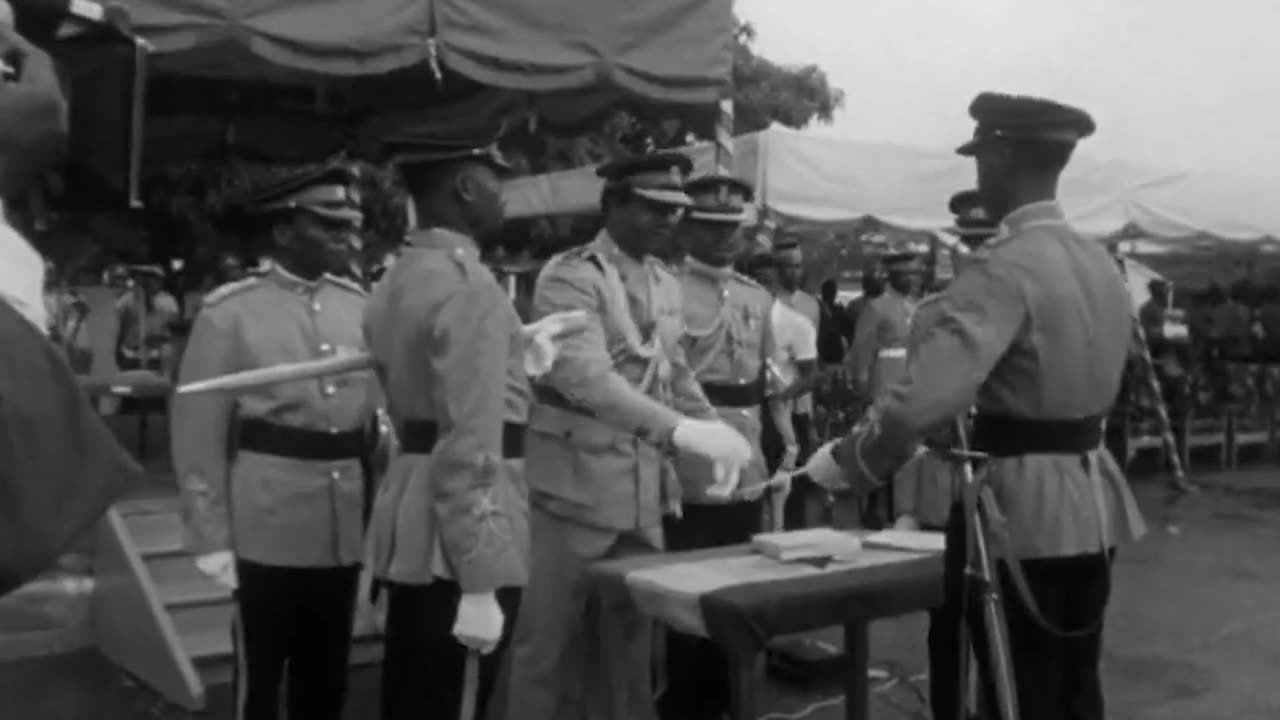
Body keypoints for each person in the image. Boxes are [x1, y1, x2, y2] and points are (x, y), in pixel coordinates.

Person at [800, 92, 1146, 720]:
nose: (979, 175)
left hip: (1020, 505)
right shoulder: (1101, 264)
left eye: (983, 159)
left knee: (1018, 688)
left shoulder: (1002, 268)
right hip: (1091, 495)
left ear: (1006, 159)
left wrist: (848, 461)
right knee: (1074, 683)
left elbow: (919, 406)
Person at [505, 152, 752, 720]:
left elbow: (676, 371)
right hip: (572, 490)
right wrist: (682, 431)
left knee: (630, 648)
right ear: (613, 204)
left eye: (675, 210)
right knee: (548, 644)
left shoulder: (664, 279)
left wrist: (717, 427)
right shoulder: (571, 276)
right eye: (652, 208)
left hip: (640, 492)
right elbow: (583, 376)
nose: (668, 221)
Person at [170, 163, 381, 720]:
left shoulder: (359, 307)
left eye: (348, 224)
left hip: (341, 518)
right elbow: (198, 431)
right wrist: (210, 534)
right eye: (328, 224)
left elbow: (378, 422)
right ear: (284, 232)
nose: (346, 236)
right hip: (265, 518)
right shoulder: (230, 314)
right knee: (260, 679)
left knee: (328, 673)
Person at [362, 134, 528, 720]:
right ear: (464, 187)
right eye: (494, 181)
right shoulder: (470, 289)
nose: (502, 197)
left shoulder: (400, 274)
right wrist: (480, 579)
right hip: (462, 532)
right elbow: (471, 442)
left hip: (415, 508)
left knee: (411, 694)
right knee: (454, 700)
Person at [660, 174, 778, 720]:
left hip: (747, 459)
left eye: (732, 227)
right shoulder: (667, 290)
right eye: (710, 226)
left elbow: (764, 383)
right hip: (692, 460)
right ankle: (689, 702)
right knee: (690, 596)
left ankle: (736, 698)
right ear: (684, 226)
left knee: (743, 587)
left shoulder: (757, 294)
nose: (724, 238)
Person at [846, 251, 921, 403]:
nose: (914, 280)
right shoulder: (876, 307)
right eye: (907, 275)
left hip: (912, 383)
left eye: (915, 274)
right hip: (884, 380)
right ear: (893, 277)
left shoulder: (915, 306)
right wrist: (861, 382)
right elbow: (862, 348)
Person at [817, 278, 851, 366]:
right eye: (829, 291)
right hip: (822, 348)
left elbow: (847, 330)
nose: (831, 294)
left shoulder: (839, 310)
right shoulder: (817, 308)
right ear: (823, 292)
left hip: (835, 348)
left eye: (833, 291)